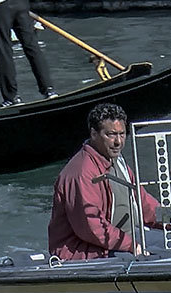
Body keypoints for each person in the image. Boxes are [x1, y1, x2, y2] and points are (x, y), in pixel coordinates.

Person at [48, 103, 160, 261]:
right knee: (154, 255)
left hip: (123, 240)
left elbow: (143, 202)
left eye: (122, 134)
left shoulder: (118, 161)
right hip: (87, 252)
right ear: (94, 134)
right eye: (111, 135)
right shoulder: (82, 172)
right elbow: (91, 226)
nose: (118, 142)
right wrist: (130, 245)